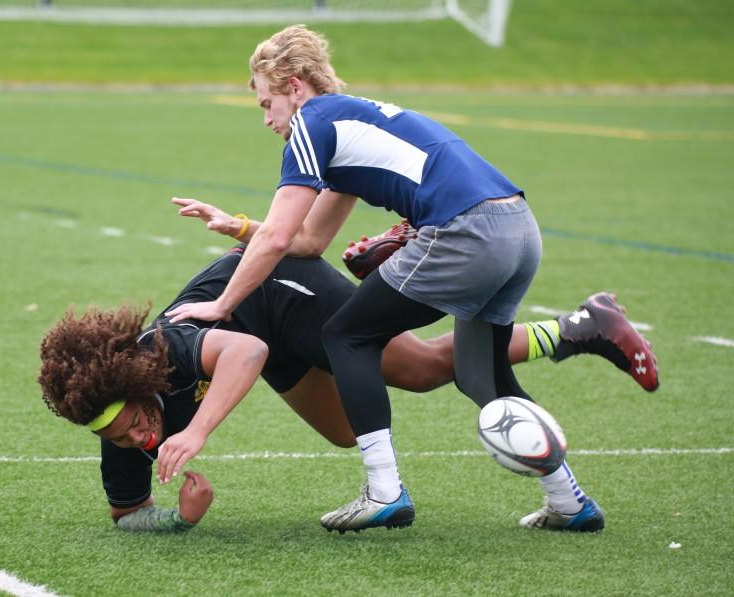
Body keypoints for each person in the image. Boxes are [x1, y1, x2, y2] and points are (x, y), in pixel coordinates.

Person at [163, 25, 658, 534]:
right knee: (478, 373)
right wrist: (241, 225)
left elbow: (278, 242)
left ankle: (384, 491)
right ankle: (570, 502)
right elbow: (309, 241)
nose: (267, 118)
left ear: (294, 86)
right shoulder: (348, 115)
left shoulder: (311, 123)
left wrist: (220, 304)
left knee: (345, 334)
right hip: (519, 230)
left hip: (466, 233)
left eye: (268, 103)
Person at [38, 244, 657, 532]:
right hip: (261, 335)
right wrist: (181, 520)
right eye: (123, 437)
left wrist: (196, 431)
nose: (141, 436)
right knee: (341, 430)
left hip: (278, 292)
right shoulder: (114, 426)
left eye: (139, 422)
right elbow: (128, 516)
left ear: (137, 383)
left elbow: (246, 351)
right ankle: (570, 327)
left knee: (417, 370)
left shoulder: (164, 353)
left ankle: (581, 327)